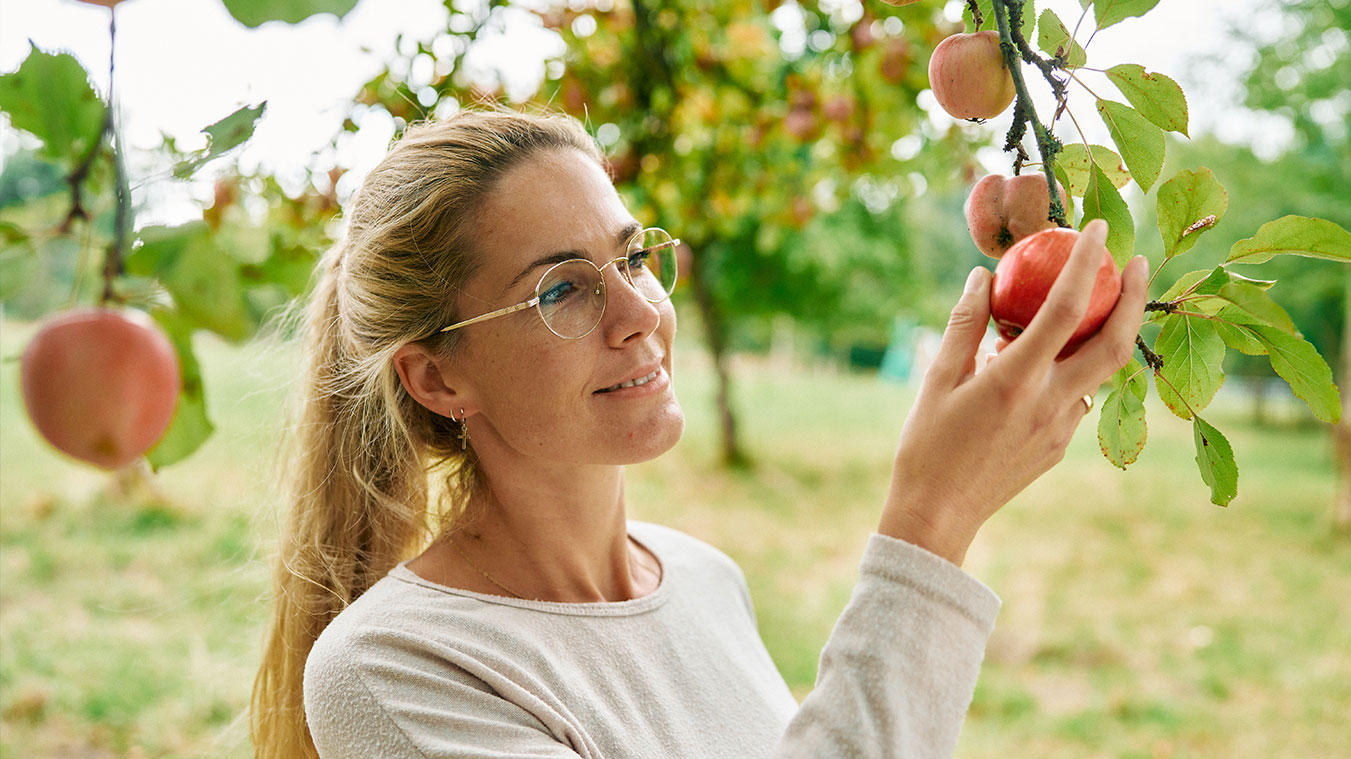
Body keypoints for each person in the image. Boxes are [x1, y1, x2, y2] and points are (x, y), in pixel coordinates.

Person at [250, 108, 1148, 759]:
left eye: (633, 256)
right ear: (437, 376)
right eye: (562, 288)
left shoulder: (703, 580)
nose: (641, 310)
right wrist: (933, 518)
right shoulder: (394, 669)